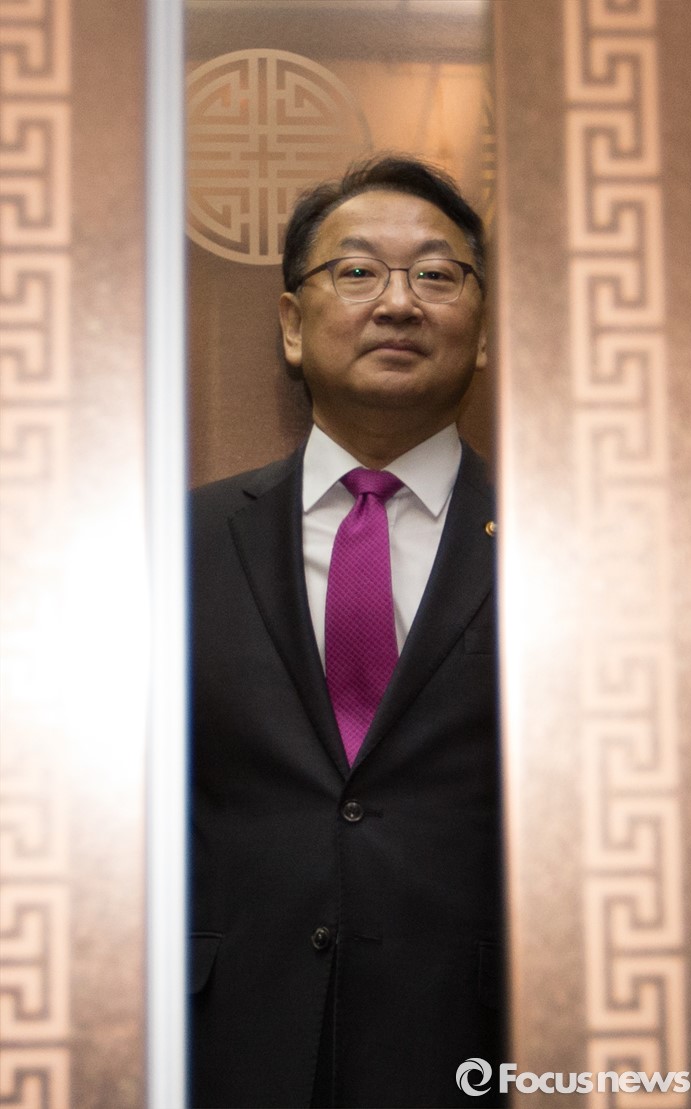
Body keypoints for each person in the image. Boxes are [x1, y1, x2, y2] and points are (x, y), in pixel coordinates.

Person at [189, 154, 505, 1109]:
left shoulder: (580, 543)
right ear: (292, 324)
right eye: (358, 270)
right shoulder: (175, 542)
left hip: (482, 1046)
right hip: (226, 1043)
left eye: (437, 274)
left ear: (483, 330)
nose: (398, 303)